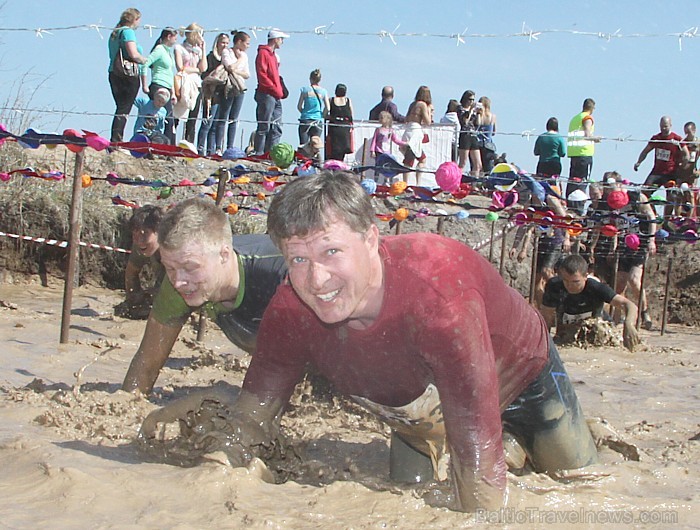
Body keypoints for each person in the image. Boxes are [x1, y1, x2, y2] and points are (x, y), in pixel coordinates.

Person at [156, 171, 598, 513]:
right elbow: (251, 419)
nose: (317, 280)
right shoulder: (291, 309)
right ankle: (510, 453)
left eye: (331, 252)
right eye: (298, 259)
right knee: (404, 499)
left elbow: (479, 472)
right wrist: (205, 488)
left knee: (580, 484)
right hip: (413, 407)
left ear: (371, 239)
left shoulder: (437, 300)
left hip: (521, 379)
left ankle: (526, 445)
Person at [122, 197, 287, 394]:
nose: (178, 282)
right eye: (169, 268)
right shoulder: (180, 284)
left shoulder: (282, 274)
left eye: (190, 267)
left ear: (223, 255)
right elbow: (147, 362)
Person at [587, 171, 657, 330]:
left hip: (641, 242)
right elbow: (612, 227)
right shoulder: (608, 203)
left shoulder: (636, 197)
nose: (609, 192)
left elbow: (651, 216)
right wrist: (613, 247)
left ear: (619, 185)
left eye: (611, 188)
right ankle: (618, 318)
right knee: (619, 284)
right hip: (624, 244)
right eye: (607, 189)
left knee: (634, 280)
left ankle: (645, 313)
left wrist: (652, 239)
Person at [541, 254, 640, 352]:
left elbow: (629, 305)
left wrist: (629, 324)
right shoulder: (554, 286)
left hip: (598, 335)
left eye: (575, 282)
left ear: (585, 276)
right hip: (567, 336)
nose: (570, 286)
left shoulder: (596, 288)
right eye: (566, 281)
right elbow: (546, 319)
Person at [107, 8, 147, 144]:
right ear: (134, 19)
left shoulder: (114, 33)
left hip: (113, 73)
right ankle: (116, 141)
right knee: (124, 109)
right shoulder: (128, 32)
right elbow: (133, 53)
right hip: (127, 75)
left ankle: (115, 139)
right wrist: (145, 60)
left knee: (120, 107)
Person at [122, 205, 165, 319]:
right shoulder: (139, 246)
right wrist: (134, 301)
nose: (139, 240)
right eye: (135, 233)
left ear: (159, 232)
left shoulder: (176, 249)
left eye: (145, 233)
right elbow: (131, 273)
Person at [253, 28, 289, 155]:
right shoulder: (264, 54)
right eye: (281, 39)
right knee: (264, 125)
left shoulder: (273, 56)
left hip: (275, 95)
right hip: (267, 94)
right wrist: (274, 88)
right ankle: (260, 153)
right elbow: (262, 75)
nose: (282, 42)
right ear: (275, 39)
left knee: (276, 126)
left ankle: (271, 153)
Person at [141, 27, 179, 144]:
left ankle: (167, 146)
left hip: (167, 87)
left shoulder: (168, 52)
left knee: (169, 119)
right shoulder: (159, 50)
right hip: (158, 85)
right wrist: (144, 85)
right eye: (175, 38)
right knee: (159, 118)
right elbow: (145, 64)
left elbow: (170, 73)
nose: (176, 41)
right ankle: (156, 143)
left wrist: (173, 92)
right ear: (169, 37)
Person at [216, 31, 251, 154]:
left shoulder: (245, 56)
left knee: (234, 118)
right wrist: (239, 61)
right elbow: (229, 67)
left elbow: (247, 74)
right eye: (247, 43)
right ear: (239, 42)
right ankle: (218, 147)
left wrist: (236, 68)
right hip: (228, 86)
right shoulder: (227, 52)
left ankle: (230, 146)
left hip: (240, 87)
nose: (248, 46)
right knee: (223, 116)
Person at [173, 23, 207, 145]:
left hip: (196, 84)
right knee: (177, 115)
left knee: (193, 118)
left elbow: (204, 68)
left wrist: (203, 49)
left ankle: (189, 144)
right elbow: (181, 67)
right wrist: (196, 70)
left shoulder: (198, 51)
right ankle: (171, 142)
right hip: (183, 83)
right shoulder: (179, 48)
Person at [197, 33, 229, 156]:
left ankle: (211, 151)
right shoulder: (211, 57)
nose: (225, 45)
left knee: (216, 124)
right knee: (207, 122)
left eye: (226, 43)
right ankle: (200, 149)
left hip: (222, 93)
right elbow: (205, 75)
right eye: (222, 42)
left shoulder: (226, 59)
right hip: (210, 94)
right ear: (217, 43)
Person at [566, 98, 599, 213]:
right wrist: (597, 139)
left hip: (574, 154)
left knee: (572, 182)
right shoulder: (587, 118)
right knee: (582, 183)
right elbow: (587, 134)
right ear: (592, 108)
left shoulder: (575, 119)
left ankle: (570, 207)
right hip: (584, 154)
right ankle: (578, 210)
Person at [400, 85, 433, 185]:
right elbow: (428, 121)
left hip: (408, 131)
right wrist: (429, 112)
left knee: (418, 158)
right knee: (410, 161)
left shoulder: (412, 104)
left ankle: (411, 182)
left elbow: (406, 119)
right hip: (415, 132)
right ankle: (411, 183)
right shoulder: (422, 105)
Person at [369, 111, 407, 182]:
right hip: (378, 151)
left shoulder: (391, 130)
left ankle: (386, 180)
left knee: (386, 166)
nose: (380, 119)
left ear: (387, 119)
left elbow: (395, 140)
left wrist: (404, 143)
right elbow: (374, 140)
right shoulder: (378, 130)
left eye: (381, 118)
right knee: (378, 166)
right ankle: (376, 180)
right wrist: (372, 150)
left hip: (386, 151)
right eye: (379, 118)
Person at [297, 69, 329, 147]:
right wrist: (322, 115)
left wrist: (304, 112)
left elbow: (299, 106)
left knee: (303, 145)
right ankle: (316, 159)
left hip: (305, 120)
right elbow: (328, 108)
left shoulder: (304, 90)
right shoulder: (323, 91)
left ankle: (305, 159)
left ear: (310, 78)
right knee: (315, 146)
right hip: (317, 120)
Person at [327, 83, 354, 162]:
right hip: (345, 128)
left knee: (334, 152)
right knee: (342, 152)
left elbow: (325, 113)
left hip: (334, 128)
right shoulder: (348, 100)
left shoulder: (331, 100)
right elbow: (351, 115)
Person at [457, 90, 482, 176]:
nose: (471, 102)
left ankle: (474, 184)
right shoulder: (460, 108)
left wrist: (478, 113)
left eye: (473, 100)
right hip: (465, 135)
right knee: (463, 162)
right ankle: (457, 182)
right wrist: (471, 110)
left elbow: (477, 124)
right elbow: (465, 122)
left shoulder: (473, 110)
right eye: (470, 99)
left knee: (478, 164)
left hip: (473, 135)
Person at [477, 96, 497, 174]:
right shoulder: (493, 117)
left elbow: (477, 126)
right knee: (488, 168)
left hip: (478, 144)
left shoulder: (479, 115)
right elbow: (494, 132)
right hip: (488, 144)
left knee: (477, 166)